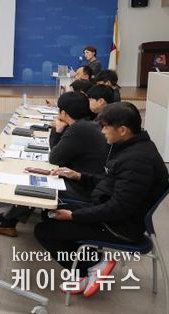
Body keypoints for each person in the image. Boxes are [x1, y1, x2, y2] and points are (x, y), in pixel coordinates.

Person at [35, 102, 169, 298]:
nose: (102, 131)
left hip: (120, 227)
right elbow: (111, 183)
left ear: (122, 130)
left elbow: (118, 208)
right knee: (49, 214)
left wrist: (74, 216)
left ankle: (94, 264)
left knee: (45, 231)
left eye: (106, 127)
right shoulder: (133, 147)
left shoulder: (137, 160)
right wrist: (79, 176)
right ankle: (86, 268)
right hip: (111, 213)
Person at [0, 92, 108, 237]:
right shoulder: (86, 125)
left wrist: (57, 130)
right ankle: (7, 220)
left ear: (63, 113)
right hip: (87, 181)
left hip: (84, 187)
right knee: (38, 177)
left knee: (37, 183)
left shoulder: (78, 129)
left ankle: (6, 223)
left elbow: (55, 158)